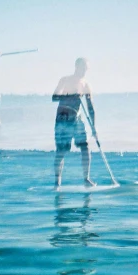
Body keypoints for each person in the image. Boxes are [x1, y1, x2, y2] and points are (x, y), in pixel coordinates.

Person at [52, 57, 96, 190]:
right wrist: (70, 96)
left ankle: (86, 178)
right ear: (76, 67)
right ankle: (57, 183)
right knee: (61, 151)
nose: (84, 71)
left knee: (85, 147)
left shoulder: (86, 85)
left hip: (77, 119)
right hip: (63, 118)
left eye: (86, 69)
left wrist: (94, 127)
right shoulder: (65, 80)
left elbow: (90, 107)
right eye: (82, 68)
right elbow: (54, 97)